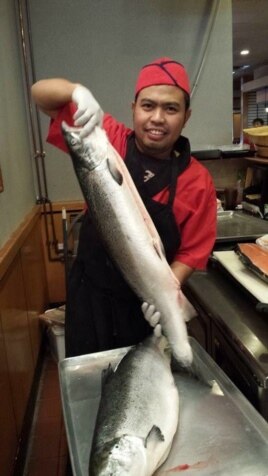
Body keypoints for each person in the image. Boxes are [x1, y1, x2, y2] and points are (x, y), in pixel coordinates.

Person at [32, 57, 217, 358]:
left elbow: (191, 253)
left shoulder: (198, 182)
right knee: (92, 386)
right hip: (90, 298)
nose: (157, 118)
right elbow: (40, 93)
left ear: (187, 116)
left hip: (142, 310)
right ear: (133, 108)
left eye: (171, 108)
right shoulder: (106, 138)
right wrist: (75, 90)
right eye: (148, 106)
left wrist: (165, 298)